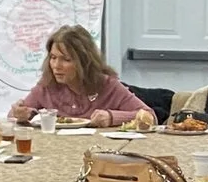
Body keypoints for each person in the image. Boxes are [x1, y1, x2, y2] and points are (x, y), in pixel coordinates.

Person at [8, 24, 152, 128]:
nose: (56, 66)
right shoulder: (47, 86)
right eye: (53, 57)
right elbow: (12, 117)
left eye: (66, 59)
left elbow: (149, 116)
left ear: (83, 61)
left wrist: (112, 117)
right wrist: (21, 114)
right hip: (57, 155)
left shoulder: (108, 86)